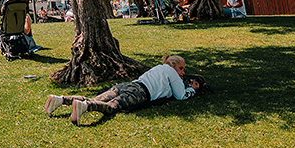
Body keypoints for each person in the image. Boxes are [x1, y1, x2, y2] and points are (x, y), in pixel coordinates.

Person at [44, 54, 200, 125]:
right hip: (140, 93)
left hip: (127, 85)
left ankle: (60, 100)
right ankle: (85, 106)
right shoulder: (172, 72)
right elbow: (180, 96)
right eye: (181, 68)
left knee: (98, 98)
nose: (183, 72)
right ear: (173, 65)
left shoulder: (158, 68)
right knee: (112, 107)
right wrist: (192, 89)